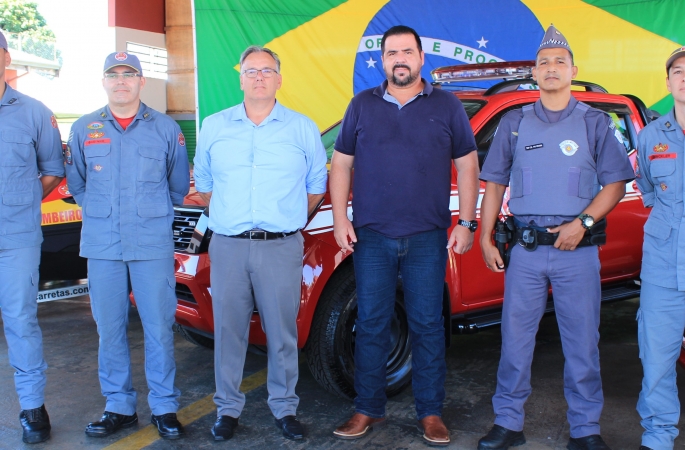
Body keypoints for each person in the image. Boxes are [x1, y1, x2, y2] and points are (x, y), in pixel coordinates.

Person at [477, 25, 634, 450]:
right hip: (525, 252)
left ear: (572, 70)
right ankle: (507, 423)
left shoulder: (594, 123)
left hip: (577, 252)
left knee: (583, 342)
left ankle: (585, 430)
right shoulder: (514, 123)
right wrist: (486, 236)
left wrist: (582, 224)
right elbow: (492, 184)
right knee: (515, 341)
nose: (551, 68)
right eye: (544, 62)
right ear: (534, 72)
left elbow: (616, 184)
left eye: (559, 62)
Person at [330, 25, 480, 447]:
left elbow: (468, 166)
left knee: (428, 325)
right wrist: (341, 219)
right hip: (372, 236)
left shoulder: (447, 105)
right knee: (372, 323)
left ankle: (430, 413)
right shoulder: (361, 105)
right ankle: (368, 409)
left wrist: (466, 223)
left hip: (427, 237)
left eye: (408, 52)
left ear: (420, 58)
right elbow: (341, 164)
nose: (400, 59)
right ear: (381, 60)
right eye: (392, 52)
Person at [193, 45, 327, 442]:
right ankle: (227, 409)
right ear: (241, 79)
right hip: (229, 246)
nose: (259, 77)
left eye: (267, 71)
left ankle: (284, 408)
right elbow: (203, 185)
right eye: (251, 71)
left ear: (279, 79)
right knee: (229, 331)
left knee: (281, 331)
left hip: (280, 247)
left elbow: (316, 186)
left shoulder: (301, 127)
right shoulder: (214, 126)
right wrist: (232, 216)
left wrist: (287, 220)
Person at [65, 52, 190, 440]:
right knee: (110, 328)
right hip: (103, 246)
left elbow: (178, 187)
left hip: (151, 243)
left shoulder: (166, 128)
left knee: (158, 326)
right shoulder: (85, 128)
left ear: (141, 82)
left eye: (129, 74)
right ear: (104, 82)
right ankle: (118, 406)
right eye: (113, 75)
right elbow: (78, 184)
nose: (121, 81)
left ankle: (164, 406)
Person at [0, 29, 64, 444]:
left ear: (5, 58)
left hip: (16, 237)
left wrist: (21, 202)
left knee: (20, 319)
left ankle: (32, 408)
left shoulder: (34, 112)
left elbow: (52, 170)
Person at [634, 46, 685, 450]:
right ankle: (659, 435)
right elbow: (648, 189)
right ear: (667, 82)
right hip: (664, 267)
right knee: (657, 358)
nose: (684, 77)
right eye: (678, 71)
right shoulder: (651, 135)